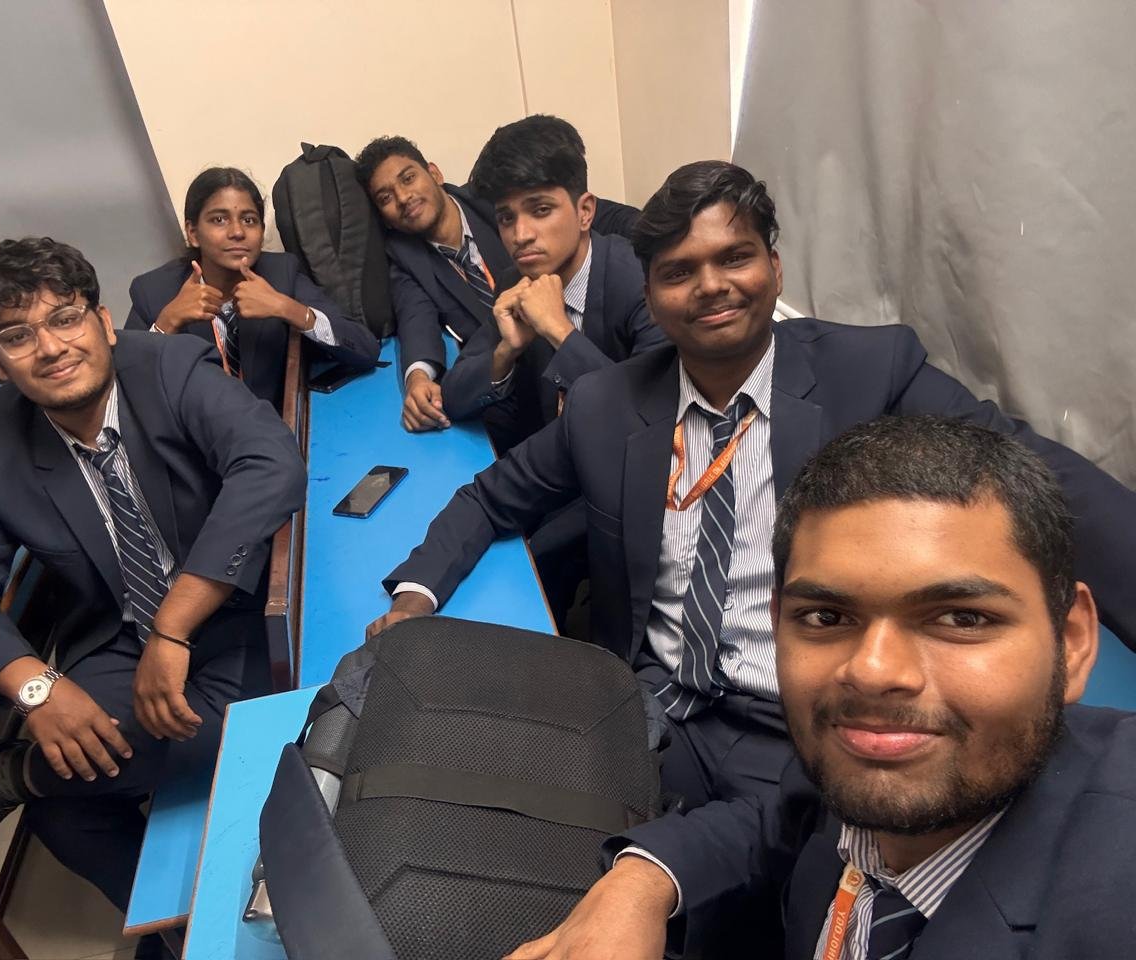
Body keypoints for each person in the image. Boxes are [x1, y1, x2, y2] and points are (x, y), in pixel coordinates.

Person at [369, 160, 1136, 819]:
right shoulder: (608, 405)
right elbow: (490, 497)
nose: (711, 286)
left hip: (808, 719)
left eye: (734, 258)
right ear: (652, 295)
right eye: (679, 272)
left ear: (774, 266)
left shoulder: (867, 374)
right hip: (654, 709)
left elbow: (1030, 471)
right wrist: (413, 600)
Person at [504, 415, 1135, 960]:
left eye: (961, 618)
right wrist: (639, 883)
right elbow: (777, 822)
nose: (873, 671)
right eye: (827, 617)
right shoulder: (863, 759)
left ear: (1072, 641)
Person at [0, 238, 307, 918]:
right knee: (64, 811)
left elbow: (269, 463)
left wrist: (173, 626)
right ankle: (181, 935)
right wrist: (40, 689)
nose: (51, 348)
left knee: (257, 725)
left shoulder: (171, 366)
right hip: (117, 632)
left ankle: (12, 775)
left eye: (65, 318)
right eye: (17, 336)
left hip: (228, 612)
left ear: (103, 321)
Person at [354, 133, 643, 437]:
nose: (403, 197)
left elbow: (648, 418)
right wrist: (421, 376)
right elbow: (416, 320)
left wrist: (659, 247)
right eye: (385, 197)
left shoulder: (491, 197)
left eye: (408, 178)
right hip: (525, 389)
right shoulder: (413, 258)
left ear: (434, 173)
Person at [439, 115, 667, 448]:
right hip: (548, 461)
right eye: (506, 217)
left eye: (541, 210)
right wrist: (506, 350)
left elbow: (647, 423)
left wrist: (558, 331)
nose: (521, 235)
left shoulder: (642, 284)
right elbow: (454, 396)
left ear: (585, 212)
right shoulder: (516, 282)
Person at [126, 167, 380, 408]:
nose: (237, 232)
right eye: (219, 220)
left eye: (249, 220)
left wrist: (286, 307)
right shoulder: (154, 291)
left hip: (271, 429)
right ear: (193, 233)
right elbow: (125, 395)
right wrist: (165, 325)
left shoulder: (280, 273)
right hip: (195, 435)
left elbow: (365, 349)